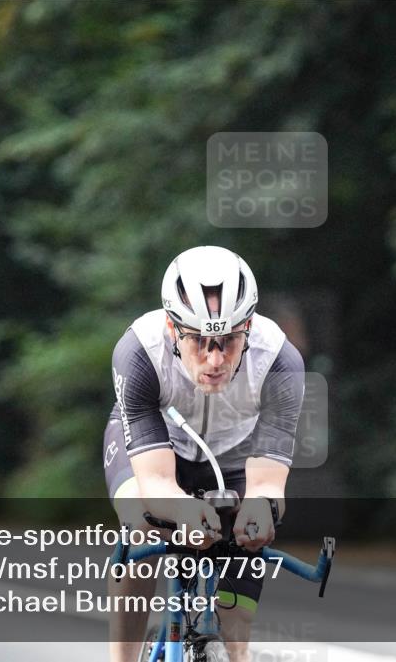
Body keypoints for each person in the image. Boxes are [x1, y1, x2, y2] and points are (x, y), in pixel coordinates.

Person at [104, 245, 305, 662]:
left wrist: (260, 508)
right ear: (172, 328)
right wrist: (179, 510)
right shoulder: (138, 351)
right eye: (199, 341)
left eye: (229, 342)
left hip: (234, 458)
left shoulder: (281, 361)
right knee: (143, 528)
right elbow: (156, 481)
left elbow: (267, 483)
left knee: (249, 543)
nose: (215, 359)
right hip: (155, 451)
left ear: (248, 326)